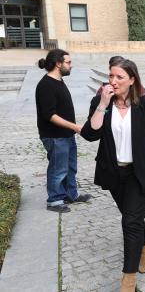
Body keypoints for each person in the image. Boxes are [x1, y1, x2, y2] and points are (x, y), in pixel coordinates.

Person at [80, 58, 145, 292]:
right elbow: (89, 134)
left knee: (130, 221)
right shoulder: (101, 101)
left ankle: (128, 279)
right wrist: (103, 103)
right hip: (113, 173)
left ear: (132, 80)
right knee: (132, 217)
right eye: (111, 76)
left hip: (139, 173)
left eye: (119, 77)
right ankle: (144, 247)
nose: (113, 81)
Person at [35, 49, 92, 213]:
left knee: (70, 167)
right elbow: (50, 115)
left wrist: (72, 129)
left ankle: (70, 194)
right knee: (58, 169)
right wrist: (75, 127)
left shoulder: (58, 81)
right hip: (54, 136)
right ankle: (54, 200)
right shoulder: (45, 85)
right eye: (68, 62)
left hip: (66, 135)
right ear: (58, 64)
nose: (71, 65)